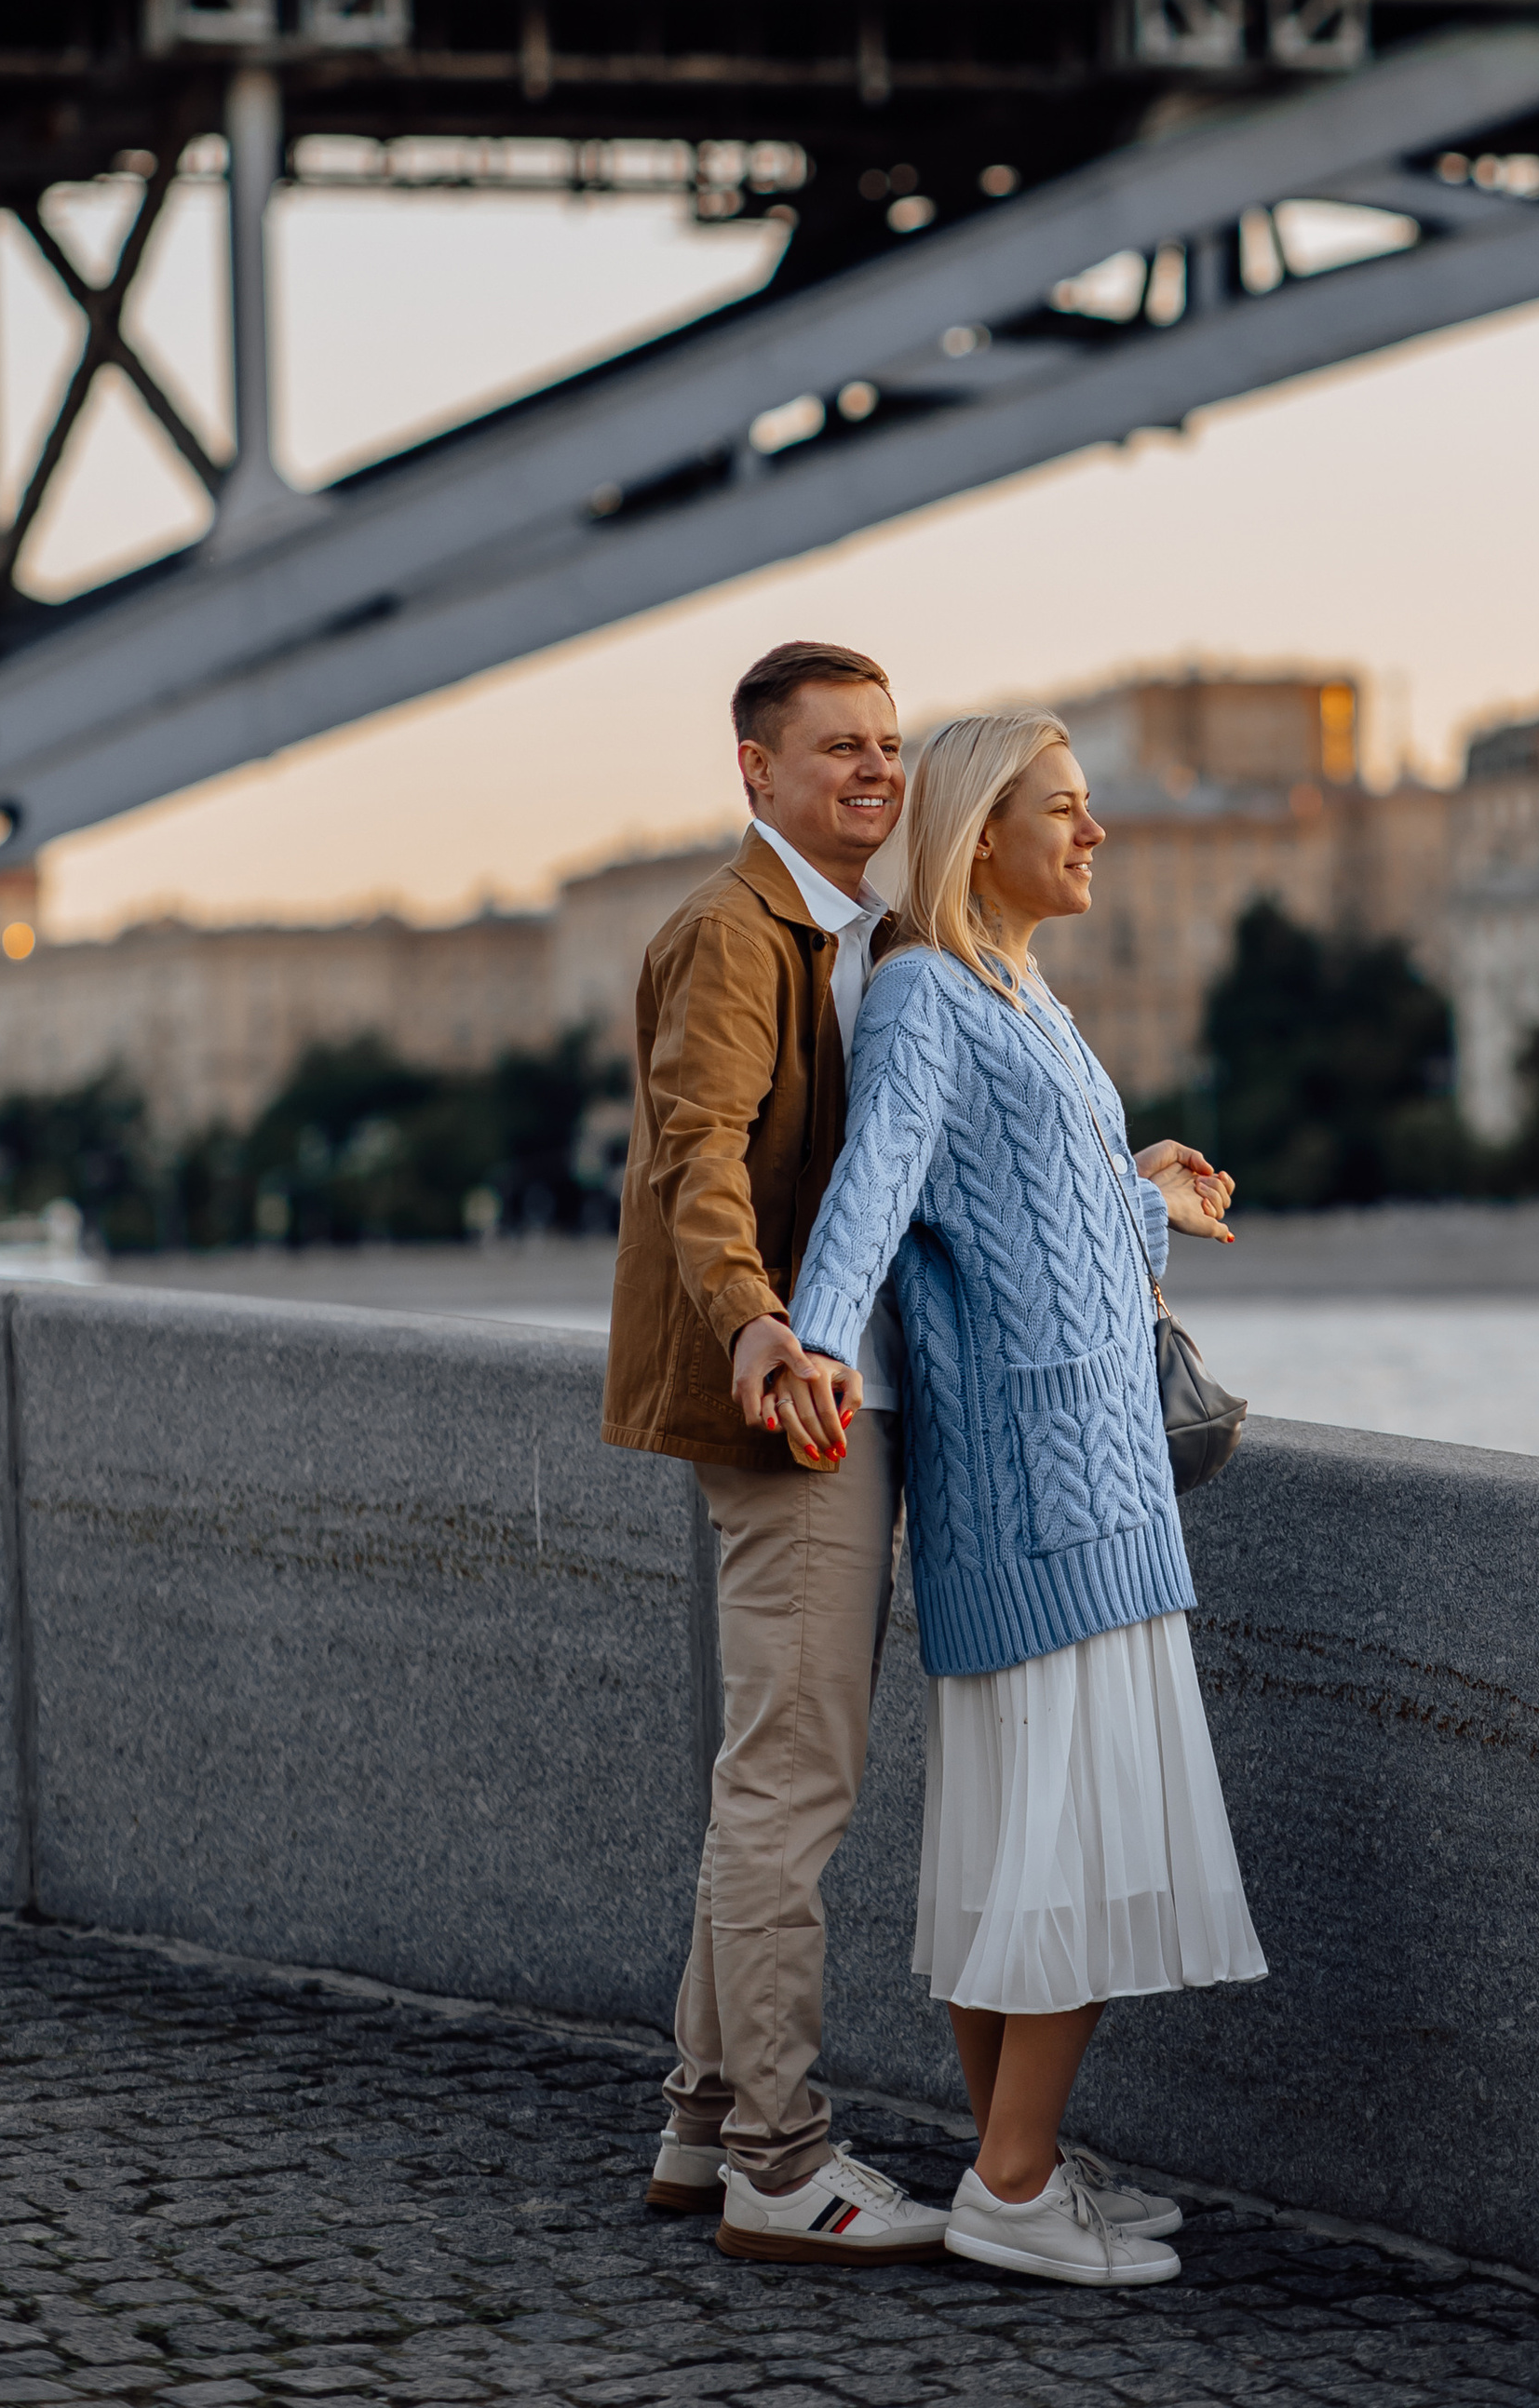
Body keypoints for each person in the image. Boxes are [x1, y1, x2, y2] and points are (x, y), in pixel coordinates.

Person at [786, 711, 1262, 2290]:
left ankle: (1020, 2165)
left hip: (1080, 1475)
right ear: (978, 832)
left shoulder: (1022, 994)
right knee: (1066, 1843)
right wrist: (803, 1352)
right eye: (1064, 808)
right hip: (1048, 1491)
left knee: (1019, 1841)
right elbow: (877, 1189)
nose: (1096, 830)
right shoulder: (931, 993)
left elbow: (1036, 1231)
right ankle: (1009, 2185)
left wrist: (1147, 1196)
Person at [600, 639, 953, 2266]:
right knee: (792, 1789)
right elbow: (697, 1155)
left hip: (818, 1390)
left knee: (767, 1773)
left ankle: (698, 2118)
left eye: (888, 747)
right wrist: (754, 1330)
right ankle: (780, 2156)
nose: (874, 772)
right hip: (800, 1406)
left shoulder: (841, 931)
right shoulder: (739, 937)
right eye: (837, 750)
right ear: (756, 769)